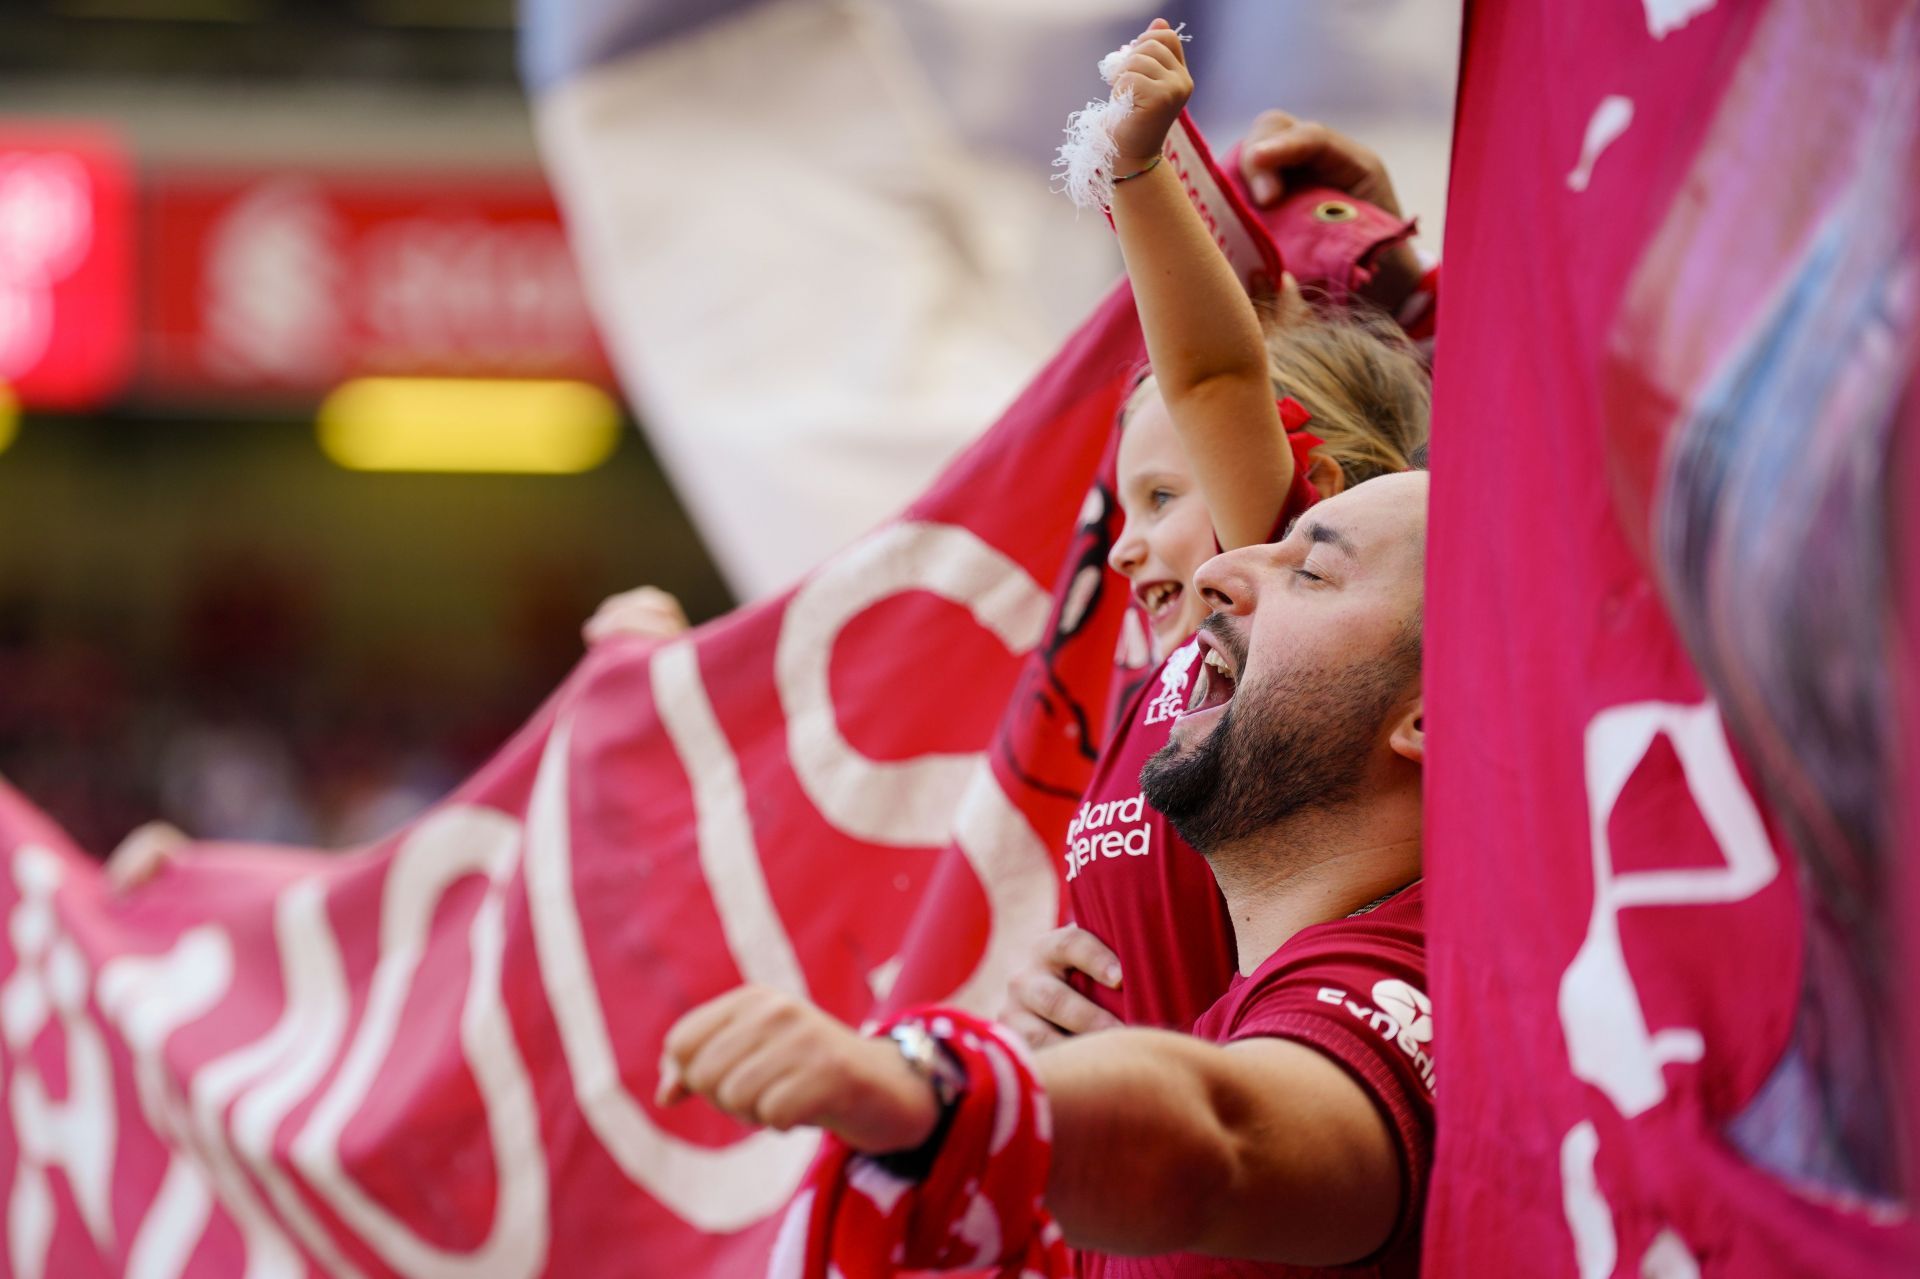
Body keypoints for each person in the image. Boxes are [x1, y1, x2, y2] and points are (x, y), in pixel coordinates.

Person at [659, 470, 1433, 1276]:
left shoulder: (1426, 980)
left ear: (1430, 717)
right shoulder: (1204, 1011)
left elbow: (1218, 1141)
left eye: (1310, 572)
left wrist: (948, 1090)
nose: (1216, 573)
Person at [1002, 26, 1430, 1046]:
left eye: (1158, 495)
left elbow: (1212, 376)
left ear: (1310, 483)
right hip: (1129, 1161)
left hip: (1239, 1135)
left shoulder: (1280, 613)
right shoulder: (1166, 696)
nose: (1116, 547)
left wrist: (1139, 170)